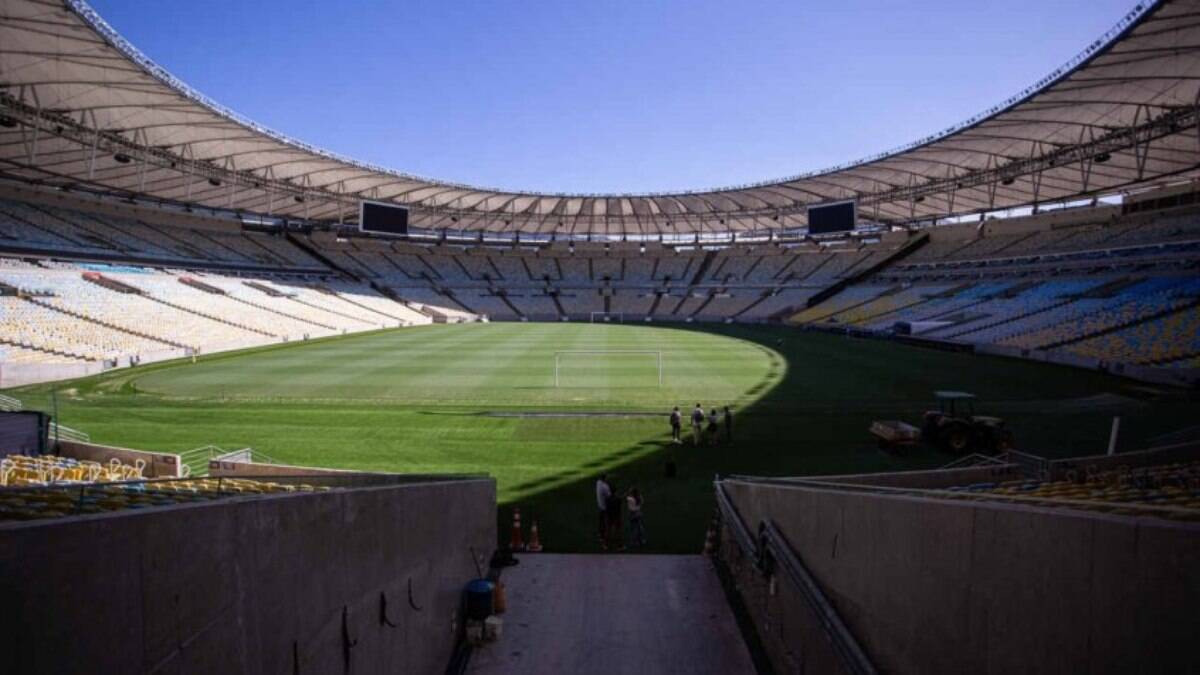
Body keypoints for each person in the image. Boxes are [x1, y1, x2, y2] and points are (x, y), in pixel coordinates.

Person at [604, 480, 624, 551]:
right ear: (615, 491)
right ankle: (619, 546)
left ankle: (606, 545)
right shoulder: (618, 499)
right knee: (618, 532)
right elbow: (619, 508)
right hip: (616, 516)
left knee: (608, 531)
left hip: (609, 516)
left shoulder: (607, 499)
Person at [595, 474, 611, 548]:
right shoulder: (605, 487)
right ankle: (604, 538)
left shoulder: (598, 483)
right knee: (606, 522)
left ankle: (600, 534)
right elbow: (609, 496)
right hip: (605, 507)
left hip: (600, 505)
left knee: (600, 520)